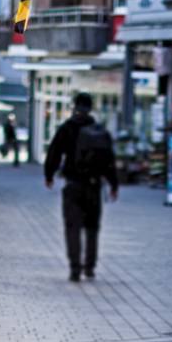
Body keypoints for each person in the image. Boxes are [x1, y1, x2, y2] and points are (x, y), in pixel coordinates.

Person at [44, 92, 119, 282]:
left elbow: (54, 152)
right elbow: (109, 160)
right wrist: (113, 184)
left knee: (73, 227)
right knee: (92, 228)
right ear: (91, 108)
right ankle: (90, 267)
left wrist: (49, 175)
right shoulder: (100, 131)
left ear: (74, 106)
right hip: (94, 186)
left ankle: (75, 268)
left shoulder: (67, 128)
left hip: (73, 185)